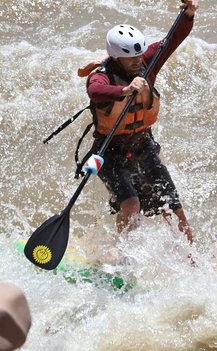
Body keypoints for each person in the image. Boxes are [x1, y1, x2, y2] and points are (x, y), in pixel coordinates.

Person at [78, 0, 199, 243]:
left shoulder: (146, 63)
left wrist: (188, 14)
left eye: (138, 55)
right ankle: (123, 258)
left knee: (174, 210)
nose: (137, 62)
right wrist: (123, 91)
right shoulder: (102, 76)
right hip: (109, 152)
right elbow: (95, 91)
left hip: (143, 147)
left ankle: (193, 261)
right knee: (131, 204)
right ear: (115, 57)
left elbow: (172, 40)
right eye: (130, 58)